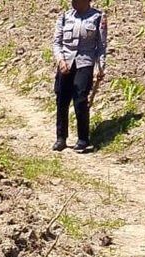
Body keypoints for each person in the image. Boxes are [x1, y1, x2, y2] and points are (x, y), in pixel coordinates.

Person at [52, 0, 108, 153]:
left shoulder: (98, 17)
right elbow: (57, 43)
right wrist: (60, 60)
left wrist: (100, 66)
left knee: (80, 100)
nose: (73, 2)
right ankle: (61, 138)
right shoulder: (65, 16)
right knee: (62, 100)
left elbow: (101, 46)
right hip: (66, 62)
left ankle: (83, 139)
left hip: (85, 63)